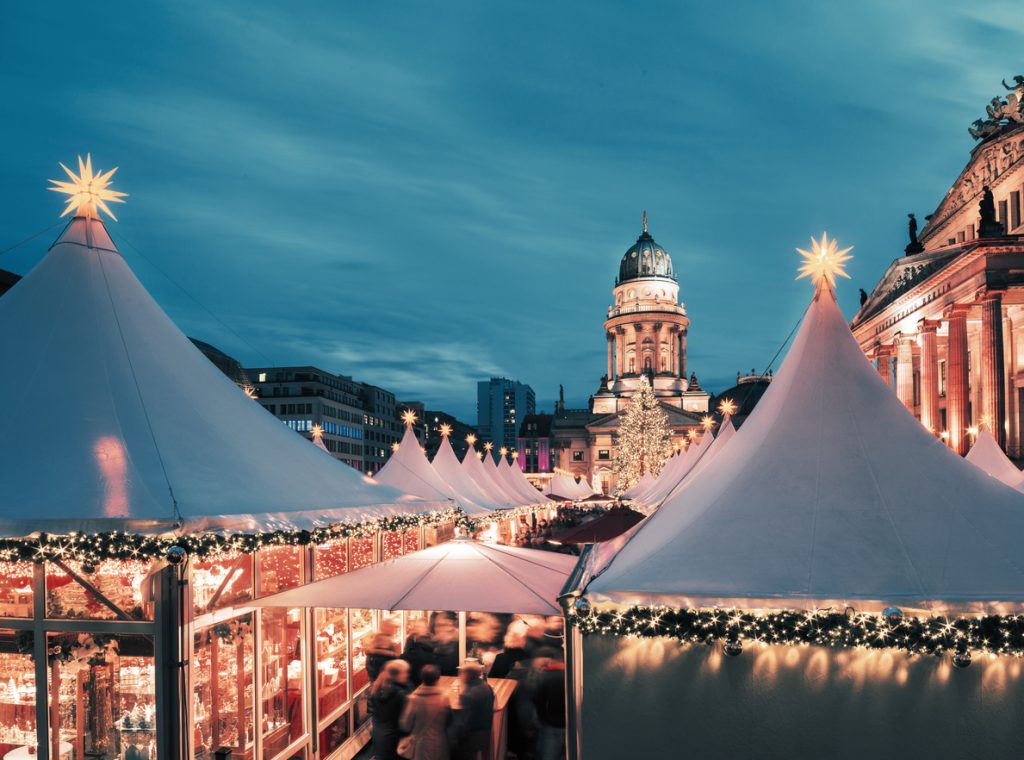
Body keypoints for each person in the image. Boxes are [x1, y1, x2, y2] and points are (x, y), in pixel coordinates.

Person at [399, 664, 450, 760]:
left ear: (422, 678)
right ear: (438, 679)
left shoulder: (413, 699)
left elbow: (405, 725)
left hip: (420, 745)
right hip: (440, 743)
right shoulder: (444, 698)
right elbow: (449, 721)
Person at [449, 660, 494, 760]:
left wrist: (452, 737)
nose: (460, 676)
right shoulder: (487, 686)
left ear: (468, 675)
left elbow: (463, 721)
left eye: (462, 673)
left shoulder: (468, 695)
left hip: (472, 737)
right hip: (486, 732)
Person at [368, 659, 411, 760]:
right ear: (397, 675)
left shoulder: (375, 690)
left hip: (379, 735)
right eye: (405, 673)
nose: (407, 675)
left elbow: (371, 711)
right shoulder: (400, 694)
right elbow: (405, 720)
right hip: (394, 738)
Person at [533, 649, 566, 760]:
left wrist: (542, 719)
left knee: (548, 755)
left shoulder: (545, 676)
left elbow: (539, 700)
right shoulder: (573, 675)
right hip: (571, 724)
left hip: (551, 724)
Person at [366, 618, 401, 684]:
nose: (395, 630)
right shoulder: (382, 640)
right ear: (386, 628)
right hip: (383, 682)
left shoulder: (387, 639)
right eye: (392, 627)